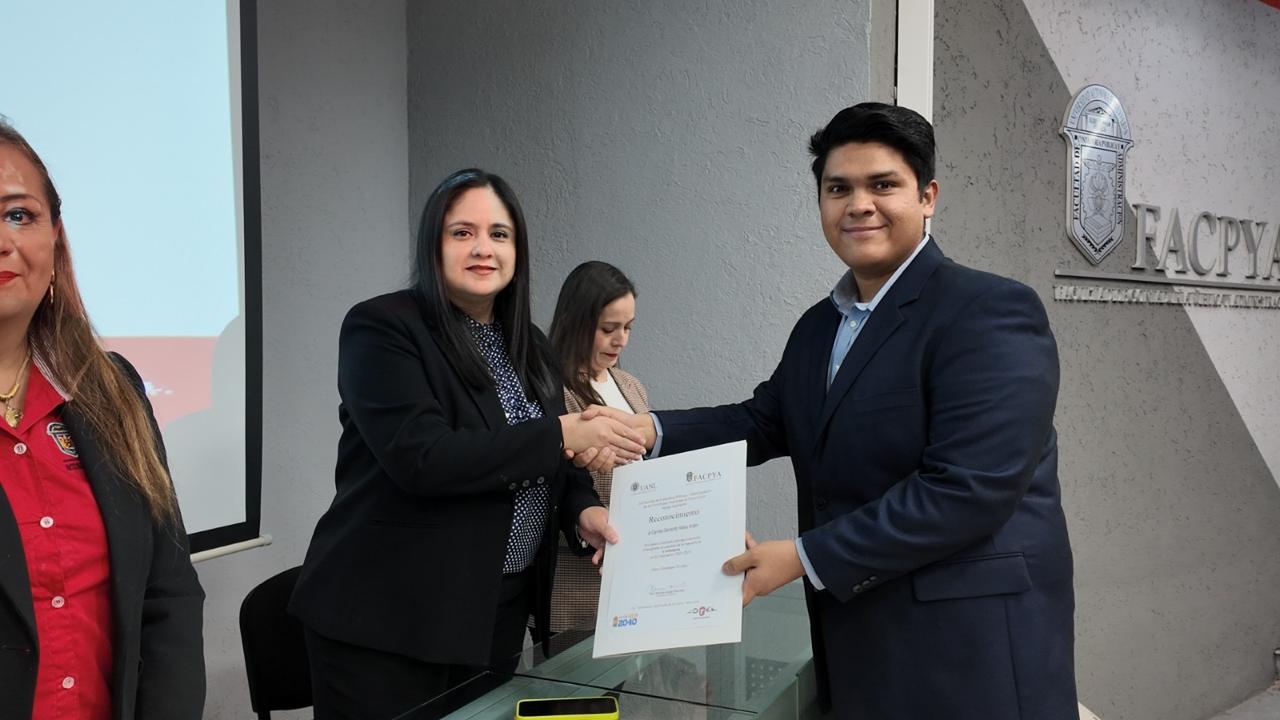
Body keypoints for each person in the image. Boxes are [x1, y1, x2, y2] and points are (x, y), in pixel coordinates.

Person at [581, 103, 1077, 719]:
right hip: (859, 639)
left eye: (883, 185)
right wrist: (644, 430)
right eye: (838, 188)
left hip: (969, 651)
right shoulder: (819, 326)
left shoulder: (989, 311)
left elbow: (969, 490)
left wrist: (802, 556)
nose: (859, 205)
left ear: (927, 196)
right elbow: (764, 421)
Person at [289, 169, 646, 720]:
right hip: (389, 620)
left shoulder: (529, 344)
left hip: (494, 614)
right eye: (463, 232)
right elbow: (423, 457)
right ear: (433, 244)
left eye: (499, 234)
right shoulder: (382, 327)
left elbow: (558, 463)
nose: (484, 248)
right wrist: (562, 432)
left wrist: (584, 511)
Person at [0, 121, 205, 719]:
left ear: (56, 239)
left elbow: (168, 593)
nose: (3, 240)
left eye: (19, 215)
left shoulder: (111, 390)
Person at [545, 261, 649, 632]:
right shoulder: (549, 389)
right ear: (573, 322)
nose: (621, 340)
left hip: (632, 577)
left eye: (628, 327)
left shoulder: (631, 386)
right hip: (575, 583)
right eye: (608, 329)